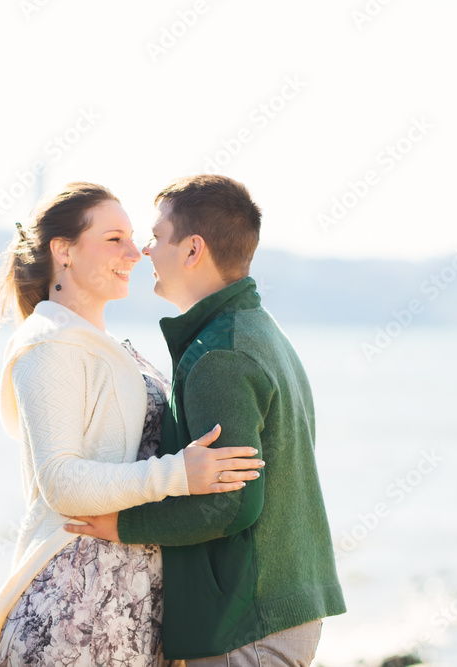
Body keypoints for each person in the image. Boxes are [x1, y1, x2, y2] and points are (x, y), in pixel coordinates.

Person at [0, 182, 265, 667]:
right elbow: (62, 483)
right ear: (64, 251)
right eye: (114, 238)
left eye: (135, 237)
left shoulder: (104, 344)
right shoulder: (50, 345)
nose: (135, 252)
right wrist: (179, 474)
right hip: (75, 610)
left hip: (126, 607)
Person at [65, 174, 346, 665]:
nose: (144, 251)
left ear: (193, 249)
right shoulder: (255, 332)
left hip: (248, 626)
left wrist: (121, 524)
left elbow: (231, 504)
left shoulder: (221, 355)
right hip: (271, 612)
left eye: (156, 237)